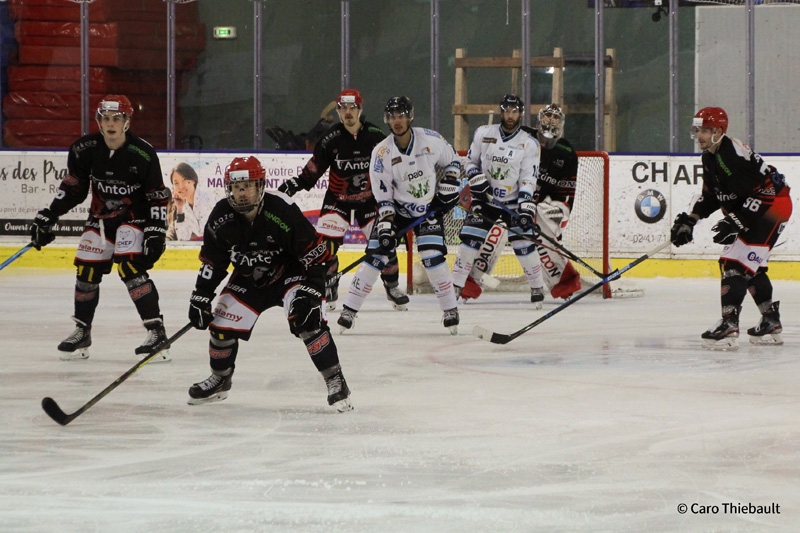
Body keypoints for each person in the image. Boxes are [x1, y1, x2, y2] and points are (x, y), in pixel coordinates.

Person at [186, 156, 353, 412]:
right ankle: (221, 379)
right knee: (220, 325)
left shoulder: (282, 209)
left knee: (307, 320)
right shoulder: (221, 216)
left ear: (260, 185)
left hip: (290, 274)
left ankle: (335, 379)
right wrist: (201, 294)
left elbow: (316, 255)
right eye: (236, 187)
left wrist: (312, 289)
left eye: (248, 186)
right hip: (249, 277)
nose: (242, 192)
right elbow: (213, 261)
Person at [30, 94, 172, 362]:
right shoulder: (84, 149)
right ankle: (82, 330)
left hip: (135, 217)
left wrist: (156, 231)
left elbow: (156, 196)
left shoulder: (143, 153)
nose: (110, 124)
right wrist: (49, 214)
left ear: (127, 122)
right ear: (98, 120)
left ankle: (156, 331)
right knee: (86, 270)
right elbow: (74, 188)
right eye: (105, 118)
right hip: (101, 218)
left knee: (130, 268)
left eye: (116, 118)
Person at [337, 96, 462, 334]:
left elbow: (453, 161)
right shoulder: (381, 152)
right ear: (387, 119)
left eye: (401, 115)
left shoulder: (431, 140)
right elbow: (382, 195)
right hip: (397, 211)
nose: (397, 121)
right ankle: (349, 310)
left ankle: (450, 309)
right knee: (375, 257)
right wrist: (386, 225)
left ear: (410, 116)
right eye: (392, 116)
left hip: (428, 209)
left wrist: (450, 185)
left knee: (433, 257)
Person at [670, 106, 792, 350]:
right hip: (757, 207)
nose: (699, 135)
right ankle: (770, 320)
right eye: (697, 130)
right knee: (750, 266)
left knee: (734, 264)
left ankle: (729, 325)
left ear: (719, 131)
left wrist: (737, 220)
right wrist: (691, 219)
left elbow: (767, 191)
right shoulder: (710, 156)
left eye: (706, 130)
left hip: (772, 207)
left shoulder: (732, 156)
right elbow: (712, 196)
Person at [278, 89, 409, 312]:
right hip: (337, 202)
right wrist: (294, 185)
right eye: (343, 108)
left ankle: (392, 286)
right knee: (324, 248)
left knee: (385, 243)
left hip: (370, 201)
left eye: (352, 107)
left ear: (360, 109)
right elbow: (314, 169)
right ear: (338, 111)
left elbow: (394, 167)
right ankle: (330, 285)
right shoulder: (330, 139)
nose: (348, 112)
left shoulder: (376, 136)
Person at [450, 94, 545, 307]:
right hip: (485, 200)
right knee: (469, 241)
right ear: (501, 112)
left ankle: (537, 286)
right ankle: (455, 286)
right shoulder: (483, 133)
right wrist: (476, 177)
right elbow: (470, 161)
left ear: (520, 114)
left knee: (523, 243)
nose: (510, 116)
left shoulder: (529, 143)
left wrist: (525, 206)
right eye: (507, 111)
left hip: (513, 202)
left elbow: (528, 178)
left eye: (514, 112)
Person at [166, 162, 216, 241]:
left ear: (193, 180)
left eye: (184, 180)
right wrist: (180, 209)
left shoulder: (207, 201)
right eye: (176, 183)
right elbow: (183, 238)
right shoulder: (183, 206)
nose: (180, 186)